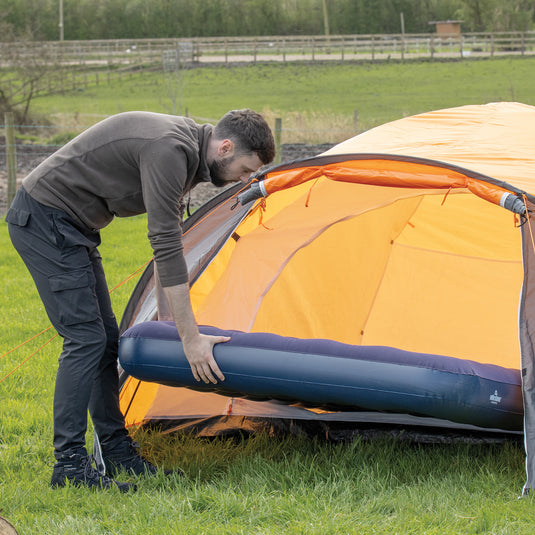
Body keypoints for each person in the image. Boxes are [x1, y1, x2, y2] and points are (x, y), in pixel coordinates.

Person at [6, 109, 276, 492]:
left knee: (104, 342)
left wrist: (169, 324)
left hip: (73, 226)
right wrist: (189, 339)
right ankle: (69, 467)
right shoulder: (170, 150)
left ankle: (116, 452)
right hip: (46, 219)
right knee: (85, 339)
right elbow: (165, 248)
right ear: (226, 147)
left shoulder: (190, 153)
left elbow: (170, 247)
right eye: (246, 170)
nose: (245, 180)